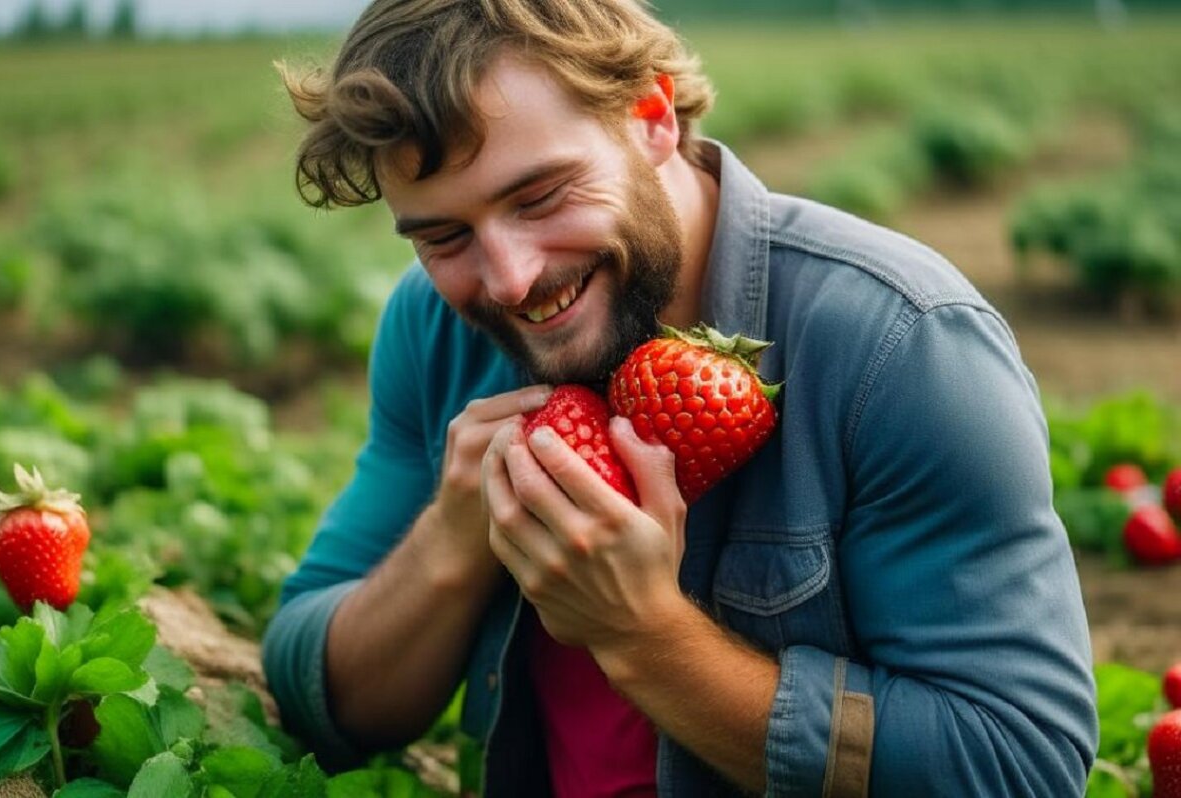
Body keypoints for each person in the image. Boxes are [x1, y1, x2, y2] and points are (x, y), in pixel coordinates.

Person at [261, 1, 1098, 794]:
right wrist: (450, 543)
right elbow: (310, 679)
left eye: (541, 195)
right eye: (444, 236)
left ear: (653, 116)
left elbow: (1020, 763)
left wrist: (645, 636)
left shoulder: (898, 345)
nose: (510, 278)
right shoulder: (435, 329)